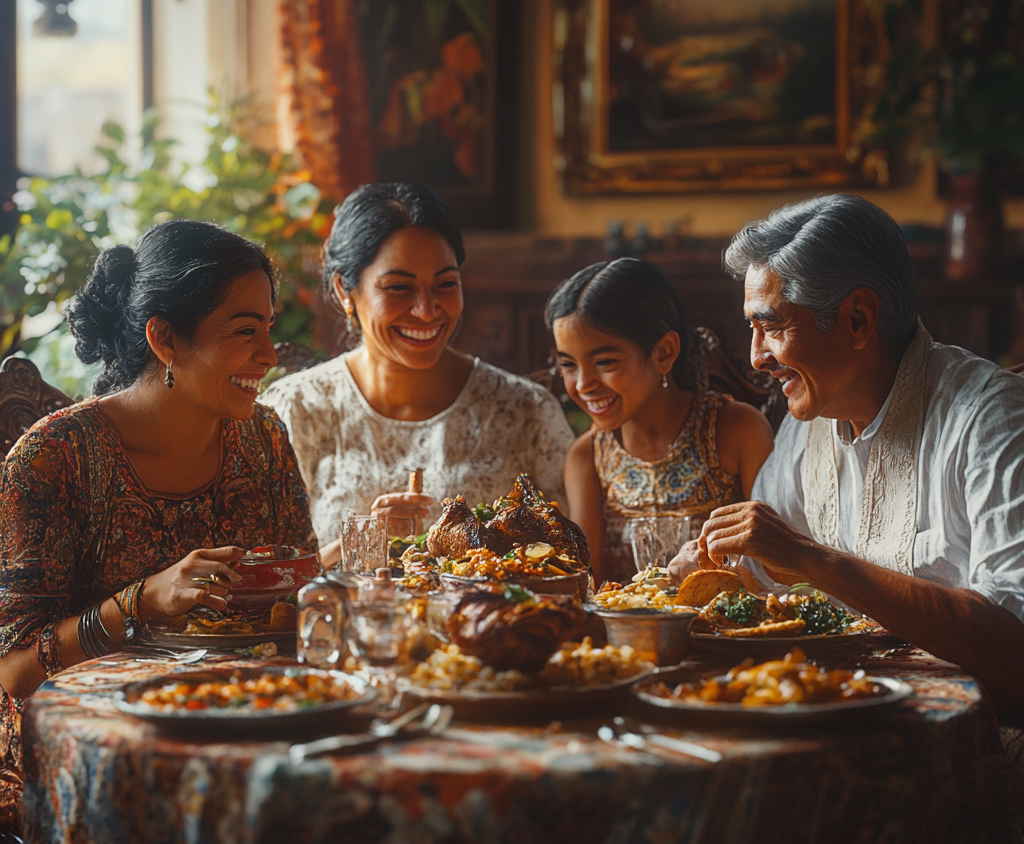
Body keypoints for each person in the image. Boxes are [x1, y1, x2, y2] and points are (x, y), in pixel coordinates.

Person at [0, 220, 317, 828]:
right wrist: (142, 602)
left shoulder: (265, 438)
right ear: (166, 339)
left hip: (242, 720)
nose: (271, 356)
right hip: (88, 756)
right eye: (246, 331)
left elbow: (300, 583)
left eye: (269, 329)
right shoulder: (54, 459)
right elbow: (15, 670)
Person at [668, 194, 1024, 712]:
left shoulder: (990, 419)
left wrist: (809, 557)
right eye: (752, 328)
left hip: (977, 731)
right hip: (833, 710)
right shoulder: (806, 421)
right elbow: (768, 580)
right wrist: (710, 571)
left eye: (771, 326)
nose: (755, 358)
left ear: (858, 318)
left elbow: (1016, 648)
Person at [261, 183, 573, 564]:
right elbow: (264, 580)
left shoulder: (527, 412)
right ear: (345, 291)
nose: (426, 311)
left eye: (445, 284)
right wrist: (361, 540)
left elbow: (571, 567)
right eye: (399, 288)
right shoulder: (293, 410)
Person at [547, 258, 774, 585]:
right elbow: (586, 584)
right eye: (568, 365)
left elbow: (773, 566)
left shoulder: (737, 430)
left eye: (605, 362)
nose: (582, 384)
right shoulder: (586, 458)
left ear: (664, 353)